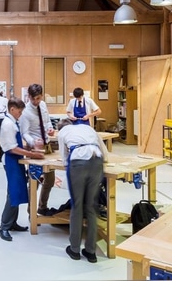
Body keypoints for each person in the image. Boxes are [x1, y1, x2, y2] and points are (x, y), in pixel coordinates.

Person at [57, 118, 108, 263]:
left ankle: (74, 249)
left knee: (77, 205)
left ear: (60, 129)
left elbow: (65, 158)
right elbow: (104, 151)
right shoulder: (87, 128)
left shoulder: (62, 133)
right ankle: (91, 252)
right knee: (91, 206)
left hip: (78, 162)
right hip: (97, 160)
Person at [0, 97, 44, 242]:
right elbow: (10, 148)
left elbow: (15, 143)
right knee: (13, 193)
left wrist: (27, 148)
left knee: (15, 192)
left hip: (16, 160)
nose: (21, 113)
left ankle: (12, 223)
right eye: (19, 110)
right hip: (10, 161)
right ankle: (3, 227)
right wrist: (31, 154)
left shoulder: (12, 122)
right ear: (12, 109)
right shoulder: (7, 124)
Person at [19, 83, 55, 216]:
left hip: (47, 146)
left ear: (42, 96)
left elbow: (47, 121)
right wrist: (33, 142)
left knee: (50, 180)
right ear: (28, 96)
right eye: (33, 98)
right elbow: (24, 133)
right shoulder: (25, 112)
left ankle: (42, 206)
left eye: (38, 98)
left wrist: (50, 129)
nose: (35, 101)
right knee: (35, 182)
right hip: (34, 149)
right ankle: (31, 213)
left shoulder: (43, 105)